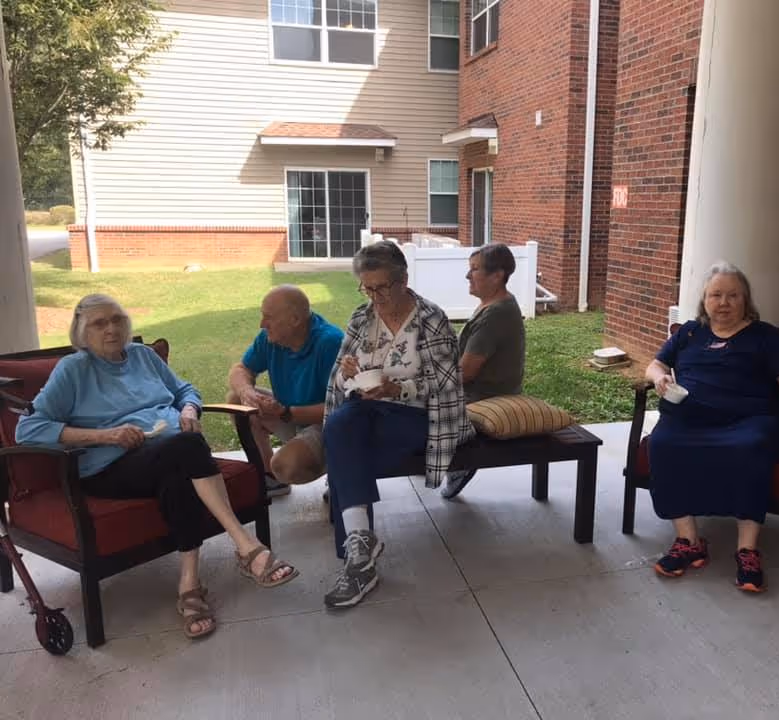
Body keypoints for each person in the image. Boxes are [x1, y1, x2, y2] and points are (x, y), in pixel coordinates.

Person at [16, 294, 299, 640]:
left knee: (179, 473)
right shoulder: (74, 370)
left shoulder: (143, 356)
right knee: (187, 447)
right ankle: (246, 545)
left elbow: (185, 390)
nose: (111, 329)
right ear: (81, 332)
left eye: (117, 319)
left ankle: (189, 586)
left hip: (164, 456)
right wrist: (106, 436)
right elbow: (28, 429)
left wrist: (189, 411)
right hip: (109, 468)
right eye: (99, 323)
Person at [643, 261, 779, 593]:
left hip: (748, 419)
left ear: (746, 300)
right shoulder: (690, 333)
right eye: (716, 295)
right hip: (691, 417)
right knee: (662, 442)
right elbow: (655, 364)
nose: (723, 303)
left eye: (732, 296)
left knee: (752, 447)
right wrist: (660, 378)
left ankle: (748, 550)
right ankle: (689, 540)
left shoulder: (764, 336)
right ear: (705, 300)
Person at [322, 241, 474, 609]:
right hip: (367, 415)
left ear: (403, 280)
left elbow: (446, 383)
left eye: (382, 287)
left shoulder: (430, 319)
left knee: (343, 438)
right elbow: (339, 381)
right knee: (346, 425)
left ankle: (357, 558)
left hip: (422, 417)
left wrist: (398, 388)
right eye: (367, 288)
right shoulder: (362, 319)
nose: (374, 297)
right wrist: (348, 376)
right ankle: (361, 551)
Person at [227, 285, 343, 498]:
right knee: (236, 400)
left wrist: (286, 413)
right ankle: (270, 479)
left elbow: (342, 407)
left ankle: (338, 474)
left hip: (327, 425)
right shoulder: (271, 338)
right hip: (288, 414)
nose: (262, 324)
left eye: (268, 317)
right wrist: (246, 391)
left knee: (287, 466)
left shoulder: (331, 343)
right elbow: (240, 369)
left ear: (295, 320)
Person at [441, 243, 526, 499]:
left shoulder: (495, 315)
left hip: (482, 398)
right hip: (482, 391)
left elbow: (465, 374)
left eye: (474, 270)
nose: (468, 276)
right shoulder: (493, 305)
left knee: (402, 403)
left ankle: (458, 462)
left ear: (497, 275)